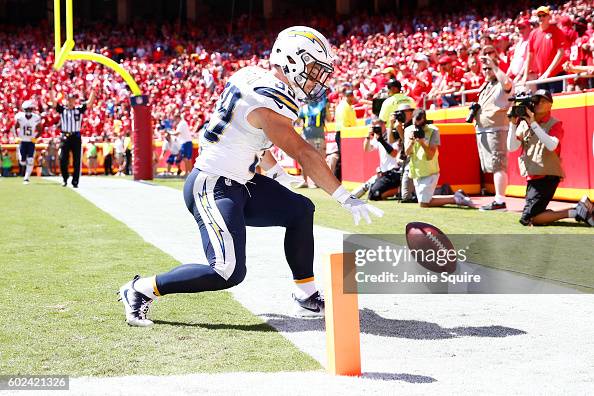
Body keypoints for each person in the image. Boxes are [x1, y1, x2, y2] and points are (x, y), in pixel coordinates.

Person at [118, 26, 383, 327]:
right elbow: (304, 151)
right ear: (291, 61)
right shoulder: (268, 99)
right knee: (227, 271)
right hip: (213, 183)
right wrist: (343, 196)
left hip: (241, 182)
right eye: (311, 68)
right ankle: (140, 289)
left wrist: (275, 171)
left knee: (300, 210)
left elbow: (251, 134)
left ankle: (306, 296)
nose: (315, 78)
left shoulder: (252, 77)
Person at [506, 89, 593, 226]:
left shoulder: (555, 123)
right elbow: (512, 147)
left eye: (543, 100)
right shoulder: (525, 123)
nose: (539, 103)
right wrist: (512, 124)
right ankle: (578, 209)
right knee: (535, 216)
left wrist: (534, 123)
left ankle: (576, 211)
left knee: (529, 218)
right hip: (533, 176)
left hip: (547, 175)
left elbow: (552, 145)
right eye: (536, 100)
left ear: (550, 105)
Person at [405, 109, 474, 209]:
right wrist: (411, 141)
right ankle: (456, 196)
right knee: (424, 201)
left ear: (424, 119)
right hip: (416, 171)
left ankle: (456, 199)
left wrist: (422, 142)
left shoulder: (433, 130)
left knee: (423, 204)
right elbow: (407, 153)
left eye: (419, 121)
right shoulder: (408, 130)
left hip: (430, 170)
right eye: (415, 122)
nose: (417, 125)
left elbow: (430, 155)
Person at [473, 55, 514, 211]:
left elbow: (507, 83)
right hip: (485, 129)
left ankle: (500, 200)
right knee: (493, 166)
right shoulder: (487, 85)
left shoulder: (501, 83)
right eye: (484, 69)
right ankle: (498, 198)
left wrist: (494, 66)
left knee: (498, 165)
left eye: (489, 68)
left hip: (496, 129)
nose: (486, 71)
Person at [48, 82, 97, 188]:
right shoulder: (63, 110)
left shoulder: (78, 110)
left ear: (75, 100)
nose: (71, 101)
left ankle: (75, 181)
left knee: (76, 160)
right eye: (69, 99)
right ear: (67, 100)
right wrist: (50, 88)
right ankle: (65, 178)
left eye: (72, 99)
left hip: (76, 136)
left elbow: (89, 103)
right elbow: (53, 102)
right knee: (62, 158)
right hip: (65, 137)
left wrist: (93, 90)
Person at [523, 6, 567, 93]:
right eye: (539, 15)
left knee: (557, 103)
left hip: (556, 75)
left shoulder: (556, 31)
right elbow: (530, 55)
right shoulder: (533, 34)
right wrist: (525, 74)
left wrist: (548, 72)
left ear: (549, 17)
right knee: (542, 105)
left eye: (544, 15)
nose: (541, 17)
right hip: (542, 76)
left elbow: (560, 53)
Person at [360, 118, 400, 200]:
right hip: (385, 173)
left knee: (375, 195)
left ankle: (400, 191)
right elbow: (366, 149)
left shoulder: (392, 133)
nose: (376, 128)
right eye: (374, 127)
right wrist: (368, 136)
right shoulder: (377, 136)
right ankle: (399, 190)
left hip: (395, 172)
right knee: (372, 193)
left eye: (378, 126)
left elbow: (394, 154)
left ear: (383, 124)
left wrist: (381, 140)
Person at [297, 95, 329, 188]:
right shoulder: (304, 108)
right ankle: (305, 181)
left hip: (317, 137)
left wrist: (326, 107)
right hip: (308, 136)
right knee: (304, 158)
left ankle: (317, 182)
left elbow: (329, 118)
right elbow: (298, 120)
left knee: (318, 159)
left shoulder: (321, 107)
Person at [12, 100, 42, 184]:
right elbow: (14, 127)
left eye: (30, 109)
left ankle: (26, 178)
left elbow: (40, 130)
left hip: (31, 141)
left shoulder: (36, 118)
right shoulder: (20, 117)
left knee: (30, 160)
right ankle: (20, 154)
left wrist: (35, 138)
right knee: (22, 161)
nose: (29, 111)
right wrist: (16, 137)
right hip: (22, 141)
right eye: (27, 109)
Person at [333, 89, 357, 180]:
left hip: (344, 133)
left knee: (343, 158)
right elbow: (345, 124)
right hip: (344, 134)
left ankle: (339, 179)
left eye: (352, 97)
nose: (352, 99)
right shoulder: (344, 107)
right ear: (347, 97)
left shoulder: (346, 106)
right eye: (350, 97)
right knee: (342, 158)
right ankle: (337, 179)